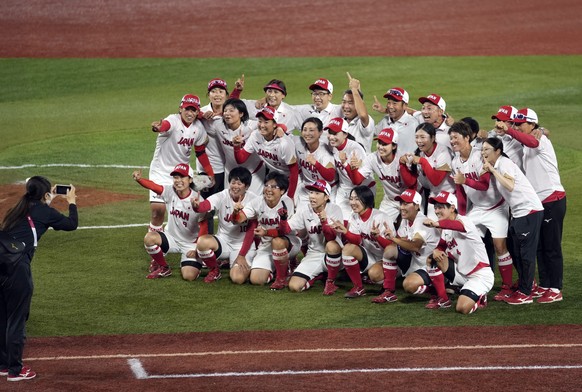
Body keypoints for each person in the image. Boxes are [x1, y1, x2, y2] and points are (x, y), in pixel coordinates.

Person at [0, 176, 78, 381]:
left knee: (3, 316)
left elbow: (35, 216)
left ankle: (3, 364)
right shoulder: (44, 211)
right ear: (45, 195)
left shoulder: (16, 209)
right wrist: (72, 202)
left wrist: (45, 200)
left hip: (2, 264)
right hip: (17, 268)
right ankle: (15, 371)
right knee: (17, 320)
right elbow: (71, 224)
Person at [503, 108, 566, 303]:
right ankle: (545, 285)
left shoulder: (539, 140)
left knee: (552, 246)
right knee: (539, 246)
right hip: (539, 201)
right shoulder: (526, 142)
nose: (516, 126)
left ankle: (555, 288)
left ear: (532, 125)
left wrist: (510, 131)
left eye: (520, 124)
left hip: (552, 198)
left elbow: (533, 140)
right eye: (514, 124)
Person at [448, 121, 514, 301]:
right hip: (477, 209)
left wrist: (465, 181)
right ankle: (470, 281)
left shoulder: (480, 156)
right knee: (464, 241)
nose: (452, 141)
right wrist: (461, 215)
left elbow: (484, 185)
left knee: (500, 246)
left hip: (497, 207)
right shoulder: (455, 162)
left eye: (456, 137)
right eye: (451, 138)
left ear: (467, 138)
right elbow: (461, 192)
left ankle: (507, 286)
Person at [482, 137, 544, 305]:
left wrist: (493, 172)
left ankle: (526, 292)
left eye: (487, 149)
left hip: (529, 211)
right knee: (515, 251)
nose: (483, 153)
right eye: (482, 150)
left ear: (498, 151)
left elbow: (510, 185)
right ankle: (527, 283)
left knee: (526, 254)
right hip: (518, 213)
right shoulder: (497, 165)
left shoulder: (504, 164)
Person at [148, 94, 214, 233]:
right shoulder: (173, 120)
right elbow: (165, 126)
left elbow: (200, 152)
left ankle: (183, 234)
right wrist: (158, 128)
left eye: (193, 110)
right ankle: (154, 239)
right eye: (187, 109)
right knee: (157, 211)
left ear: (197, 112)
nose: (190, 113)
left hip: (183, 174)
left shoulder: (198, 128)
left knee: (190, 206)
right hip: (161, 171)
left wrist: (210, 173)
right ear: (180, 109)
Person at [132, 163, 208, 281]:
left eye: (182, 177)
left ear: (190, 179)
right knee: (149, 238)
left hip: (190, 244)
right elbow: (154, 186)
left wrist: (197, 249)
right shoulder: (170, 191)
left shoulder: (197, 200)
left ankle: (198, 263)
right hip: (171, 238)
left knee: (189, 276)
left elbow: (204, 224)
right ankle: (164, 268)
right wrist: (140, 179)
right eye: (176, 177)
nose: (178, 181)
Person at [423, 191, 494, 314]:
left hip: (480, 276)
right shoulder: (446, 229)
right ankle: (443, 299)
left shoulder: (465, 221)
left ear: (452, 208)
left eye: (440, 207)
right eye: (435, 208)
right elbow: (441, 246)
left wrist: (436, 224)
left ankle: (481, 296)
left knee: (462, 308)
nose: (436, 211)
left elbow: (457, 226)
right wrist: (436, 251)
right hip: (461, 274)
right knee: (432, 259)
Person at [367, 189, 440, 303]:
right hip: (412, 261)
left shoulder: (423, 222)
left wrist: (394, 239)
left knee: (409, 286)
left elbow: (416, 245)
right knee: (375, 273)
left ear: (416, 206)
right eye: (401, 203)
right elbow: (398, 243)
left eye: (406, 204)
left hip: (428, 266)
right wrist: (380, 237)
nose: (401, 207)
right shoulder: (406, 220)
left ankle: (435, 287)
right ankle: (388, 291)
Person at [229, 172, 301, 289]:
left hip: (289, 242)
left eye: (274, 187)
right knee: (256, 280)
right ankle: (277, 269)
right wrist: (236, 212)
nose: (268, 189)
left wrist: (266, 232)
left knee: (277, 241)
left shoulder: (287, 202)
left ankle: (282, 277)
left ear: (282, 191)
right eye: (267, 185)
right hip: (266, 245)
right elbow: (237, 220)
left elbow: (284, 231)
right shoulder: (257, 202)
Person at [191, 167, 258, 284]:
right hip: (224, 241)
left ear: (246, 186)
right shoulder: (222, 195)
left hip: (242, 246)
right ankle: (214, 270)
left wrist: (242, 255)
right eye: (233, 182)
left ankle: (246, 262)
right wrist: (196, 206)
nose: (235, 186)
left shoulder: (254, 200)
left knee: (237, 279)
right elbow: (205, 206)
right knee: (202, 242)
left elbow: (251, 231)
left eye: (239, 183)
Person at [327, 186, 395, 298]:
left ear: (366, 199)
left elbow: (391, 248)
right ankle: (358, 287)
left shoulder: (381, 217)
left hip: (388, 259)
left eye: (357, 199)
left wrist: (378, 237)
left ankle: (391, 279)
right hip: (370, 255)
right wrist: (345, 231)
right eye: (351, 198)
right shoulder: (354, 216)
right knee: (348, 248)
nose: (353, 202)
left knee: (374, 275)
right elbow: (357, 240)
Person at [280, 180, 343, 292]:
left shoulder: (334, 209)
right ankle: (318, 276)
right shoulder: (304, 210)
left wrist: (324, 221)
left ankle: (330, 282)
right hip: (313, 255)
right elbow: (286, 230)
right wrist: (283, 219)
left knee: (331, 245)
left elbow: (331, 238)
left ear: (326, 197)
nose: (312, 196)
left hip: (334, 255)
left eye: (317, 193)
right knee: (294, 286)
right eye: (311, 192)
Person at [233, 106, 299, 200]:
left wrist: (290, 196)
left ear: (275, 124)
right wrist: (236, 147)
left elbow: (294, 171)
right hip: (274, 177)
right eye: (260, 121)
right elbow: (241, 159)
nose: (262, 125)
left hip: (293, 179)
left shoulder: (284, 143)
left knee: (290, 208)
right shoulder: (255, 136)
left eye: (266, 122)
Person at [346, 128, 409, 225]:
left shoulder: (403, 158)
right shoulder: (372, 158)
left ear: (394, 146)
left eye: (385, 144)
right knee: (379, 226)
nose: (380, 147)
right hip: (390, 200)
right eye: (379, 143)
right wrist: (353, 169)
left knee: (411, 232)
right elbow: (357, 181)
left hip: (410, 199)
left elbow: (412, 183)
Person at [205, 98, 266, 196]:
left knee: (253, 204)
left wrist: (280, 128)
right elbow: (197, 119)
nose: (227, 113)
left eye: (231, 110)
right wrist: (203, 115)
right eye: (225, 111)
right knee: (230, 204)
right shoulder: (218, 124)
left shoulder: (252, 126)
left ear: (241, 114)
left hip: (254, 172)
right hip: (231, 172)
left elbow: (271, 124)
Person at [400, 123, 455, 219]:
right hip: (434, 196)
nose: (419, 141)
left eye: (422, 137)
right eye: (416, 137)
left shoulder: (443, 152)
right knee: (431, 228)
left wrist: (423, 161)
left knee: (449, 229)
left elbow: (436, 181)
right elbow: (411, 182)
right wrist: (402, 165)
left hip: (450, 195)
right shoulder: (418, 153)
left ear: (433, 138)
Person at [326, 117, 374, 218]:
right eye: (330, 132)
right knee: (337, 218)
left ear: (345, 134)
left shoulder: (356, 150)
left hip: (361, 189)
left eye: (335, 133)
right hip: (344, 188)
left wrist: (345, 164)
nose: (331, 137)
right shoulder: (331, 145)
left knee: (358, 222)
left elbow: (357, 181)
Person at [292, 117, 336, 205]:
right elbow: (285, 135)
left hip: (324, 190)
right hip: (306, 189)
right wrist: (280, 128)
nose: (307, 133)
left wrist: (316, 163)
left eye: (311, 130)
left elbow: (330, 176)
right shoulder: (298, 143)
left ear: (320, 132)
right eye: (304, 130)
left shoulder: (324, 151)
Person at [233, 76, 302, 132]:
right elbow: (232, 105)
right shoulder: (257, 106)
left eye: (276, 92)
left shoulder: (291, 113)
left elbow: (306, 129)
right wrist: (237, 91)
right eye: (269, 91)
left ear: (283, 95)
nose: (272, 95)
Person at [372, 87, 420, 155]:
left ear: (405, 105)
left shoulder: (414, 123)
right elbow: (370, 133)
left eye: (394, 103)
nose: (390, 106)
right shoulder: (385, 120)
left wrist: (385, 110)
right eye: (389, 102)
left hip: (408, 164)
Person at [342, 72, 375, 153]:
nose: (346, 106)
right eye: (344, 102)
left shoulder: (364, 123)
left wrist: (354, 89)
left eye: (350, 103)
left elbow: (363, 115)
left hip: (362, 165)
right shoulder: (341, 121)